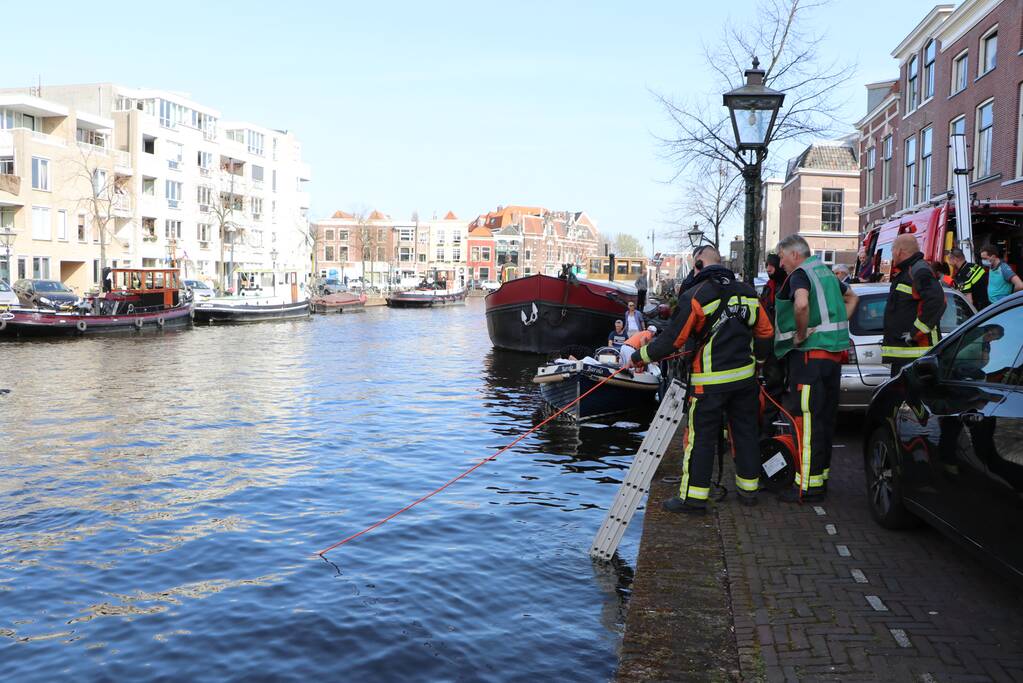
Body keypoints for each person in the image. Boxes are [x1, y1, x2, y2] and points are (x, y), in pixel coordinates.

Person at [626, 246, 773, 511]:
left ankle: (694, 499)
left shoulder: (696, 296)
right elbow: (765, 332)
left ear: (698, 265)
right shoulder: (749, 293)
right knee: (745, 433)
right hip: (744, 381)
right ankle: (749, 491)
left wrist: (639, 357)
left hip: (709, 383)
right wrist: (759, 362)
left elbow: (672, 340)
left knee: (701, 438)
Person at [774, 234, 859, 502]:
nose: (781, 263)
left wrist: (801, 335)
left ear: (795, 254)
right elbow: (853, 298)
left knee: (807, 421)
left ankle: (806, 488)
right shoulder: (827, 274)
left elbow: (801, 304)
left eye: (782, 257)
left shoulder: (800, 275)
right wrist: (832, 327)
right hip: (832, 359)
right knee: (824, 420)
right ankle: (819, 480)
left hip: (809, 359)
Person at [882, 234, 946, 377]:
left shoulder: (919, 270)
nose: (892, 255)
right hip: (907, 356)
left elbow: (937, 301)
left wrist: (915, 332)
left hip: (918, 356)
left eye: (892, 250)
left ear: (899, 251)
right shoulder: (908, 271)